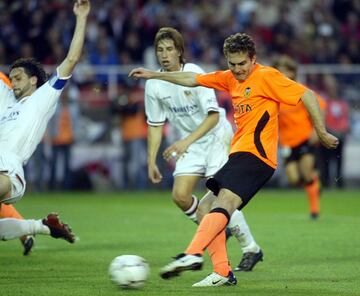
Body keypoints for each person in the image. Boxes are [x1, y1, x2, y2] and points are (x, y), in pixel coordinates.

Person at [129, 32, 338, 287]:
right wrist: (155, 74)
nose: (237, 70)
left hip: (257, 155)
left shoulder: (267, 76)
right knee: (206, 207)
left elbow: (307, 95)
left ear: (253, 59)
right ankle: (223, 272)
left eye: (242, 64)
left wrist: (321, 130)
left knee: (225, 201)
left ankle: (193, 253)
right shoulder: (228, 78)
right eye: (232, 64)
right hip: (239, 154)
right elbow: (192, 79)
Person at [144, 27, 264, 273]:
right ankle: (213, 228)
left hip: (215, 135)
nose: (164, 55)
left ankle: (250, 248)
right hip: (190, 142)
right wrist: (151, 161)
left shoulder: (194, 73)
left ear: (179, 51)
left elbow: (212, 117)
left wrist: (184, 142)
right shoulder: (154, 84)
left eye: (169, 49)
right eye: (160, 50)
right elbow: (155, 126)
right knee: (180, 196)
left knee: (221, 197)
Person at [0, 0, 91, 243]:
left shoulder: (43, 97)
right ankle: (41, 227)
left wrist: (81, 18)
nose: (13, 82)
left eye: (18, 77)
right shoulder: (6, 97)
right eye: (11, 77)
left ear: (32, 81)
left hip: (9, 169)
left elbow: (71, 59)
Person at [273, 55, 326, 219]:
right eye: (279, 71)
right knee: (294, 179)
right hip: (287, 144)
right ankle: (315, 183)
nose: (283, 74)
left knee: (306, 172)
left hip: (305, 138)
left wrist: (316, 131)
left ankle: (314, 211)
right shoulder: (274, 94)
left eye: (286, 70)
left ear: (292, 72)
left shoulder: (300, 90)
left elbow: (320, 106)